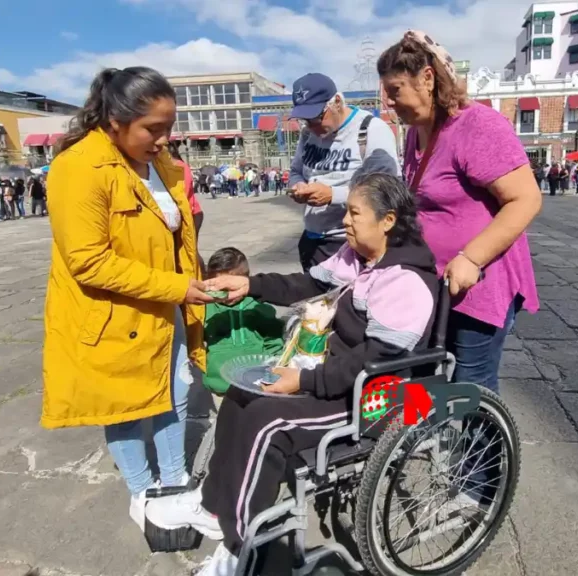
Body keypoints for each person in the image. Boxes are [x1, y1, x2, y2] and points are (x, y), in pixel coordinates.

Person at [170, 172, 440, 576]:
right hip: (335, 376)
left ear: (388, 220)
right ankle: (213, 505)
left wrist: (304, 381)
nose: (344, 221)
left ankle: (239, 548)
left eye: (353, 213)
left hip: (378, 395)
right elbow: (305, 283)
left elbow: (375, 359)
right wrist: (249, 285)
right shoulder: (359, 258)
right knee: (243, 395)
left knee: (267, 423)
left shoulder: (406, 282)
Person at [40, 67, 214, 533]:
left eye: (169, 127)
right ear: (115, 121)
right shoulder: (78, 168)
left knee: (175, 394)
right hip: (112, 312)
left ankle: (175, 483)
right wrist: (176, 287)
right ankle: (143, 491)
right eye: (153, 129)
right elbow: (88, 261)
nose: (163, 139)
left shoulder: (157, 163)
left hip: (161, 306)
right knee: (124, 404)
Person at [377, 29, 542, 392]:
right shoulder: (415, 132)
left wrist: (472, 257)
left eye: (395, 91)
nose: (388, 102)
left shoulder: (477, 126)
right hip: (432, 283)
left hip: (478, 282)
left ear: (427, 79)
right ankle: (422, 442)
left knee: (471, 385)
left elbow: (526, 199)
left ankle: (484, 449)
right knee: (422, 376)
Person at [287, 73, 400, 273]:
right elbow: (296, 171)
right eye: (306, 121)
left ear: (337, 102)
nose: (311, 127)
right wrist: (297, 186)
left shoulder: (371, 130)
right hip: (313, 240)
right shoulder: (307, 135)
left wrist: (333, 195)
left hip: (351, 244)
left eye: (316, 118)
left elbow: (388, 189)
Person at [202, 247, 284, 397]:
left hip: (257, 384)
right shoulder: (204, 310)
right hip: (219, 386)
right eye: (220, 289)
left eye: (231, 288)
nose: (227, 295)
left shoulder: (258, 307)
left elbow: (274, 342)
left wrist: (272, 373)